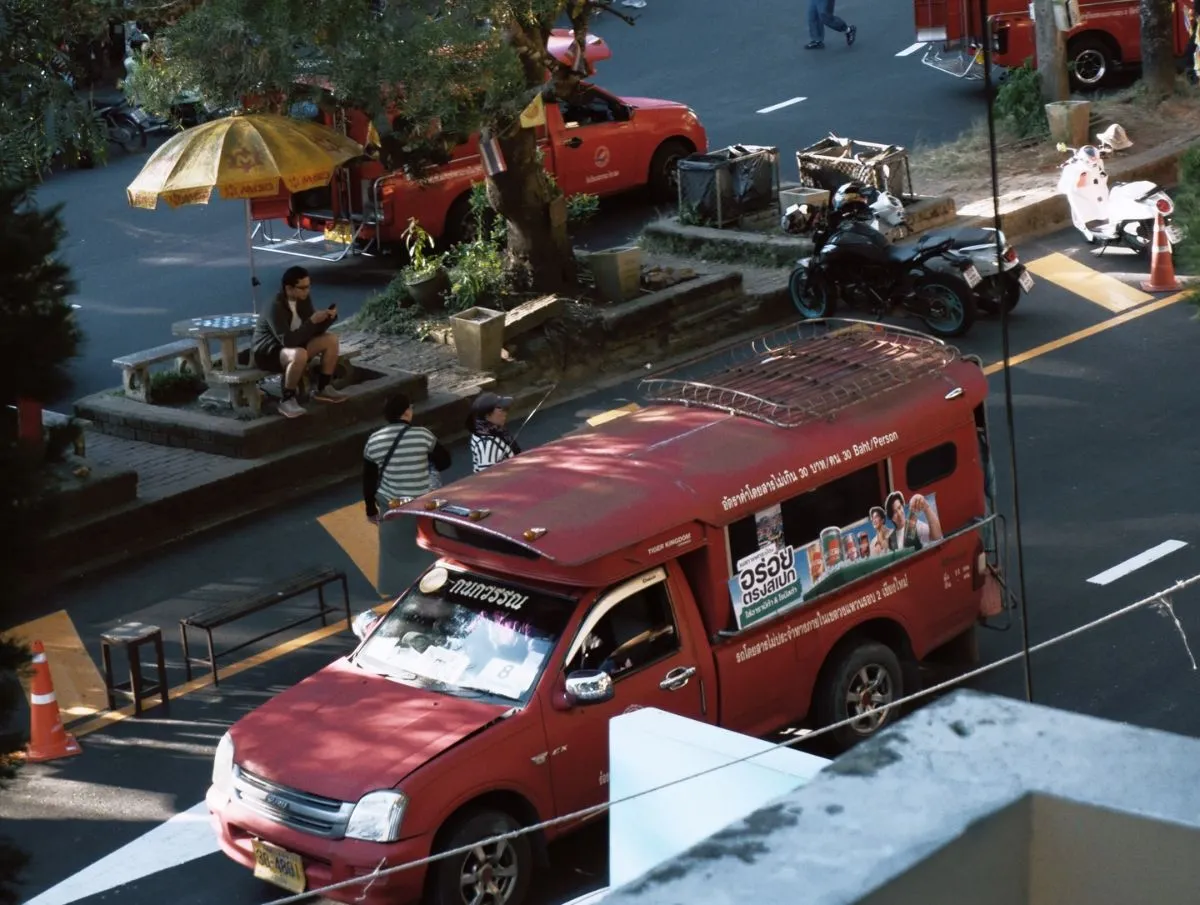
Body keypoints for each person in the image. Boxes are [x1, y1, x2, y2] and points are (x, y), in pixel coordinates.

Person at [363, 393, 452, 597]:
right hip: (421, 501)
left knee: (393, 549)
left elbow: (368, 479)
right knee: (426, 543)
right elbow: (445, 461)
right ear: (406, 412)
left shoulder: (374, 440)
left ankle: (395, 589)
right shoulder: (422, 435)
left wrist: (370, 509)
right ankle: (432, 584)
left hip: (391, 502)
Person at [252, 266, 346, 419]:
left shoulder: (303, 300)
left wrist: (328, 318)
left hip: (295, 345)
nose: (307, 291)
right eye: (302, 288)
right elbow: (287, 340)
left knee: (331, 340)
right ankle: (287, 399)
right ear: (288, 288)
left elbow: (313, 331)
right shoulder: (275, 306)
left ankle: (323, 387)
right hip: (269, 352)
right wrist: (311, 322)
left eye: (308, 287)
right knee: (299, 354)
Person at [467, 392, 522, 473]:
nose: (505, 412)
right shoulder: (488, 446)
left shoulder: (481, 431)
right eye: (500, 409)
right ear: (487, 415)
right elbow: (488, 478)